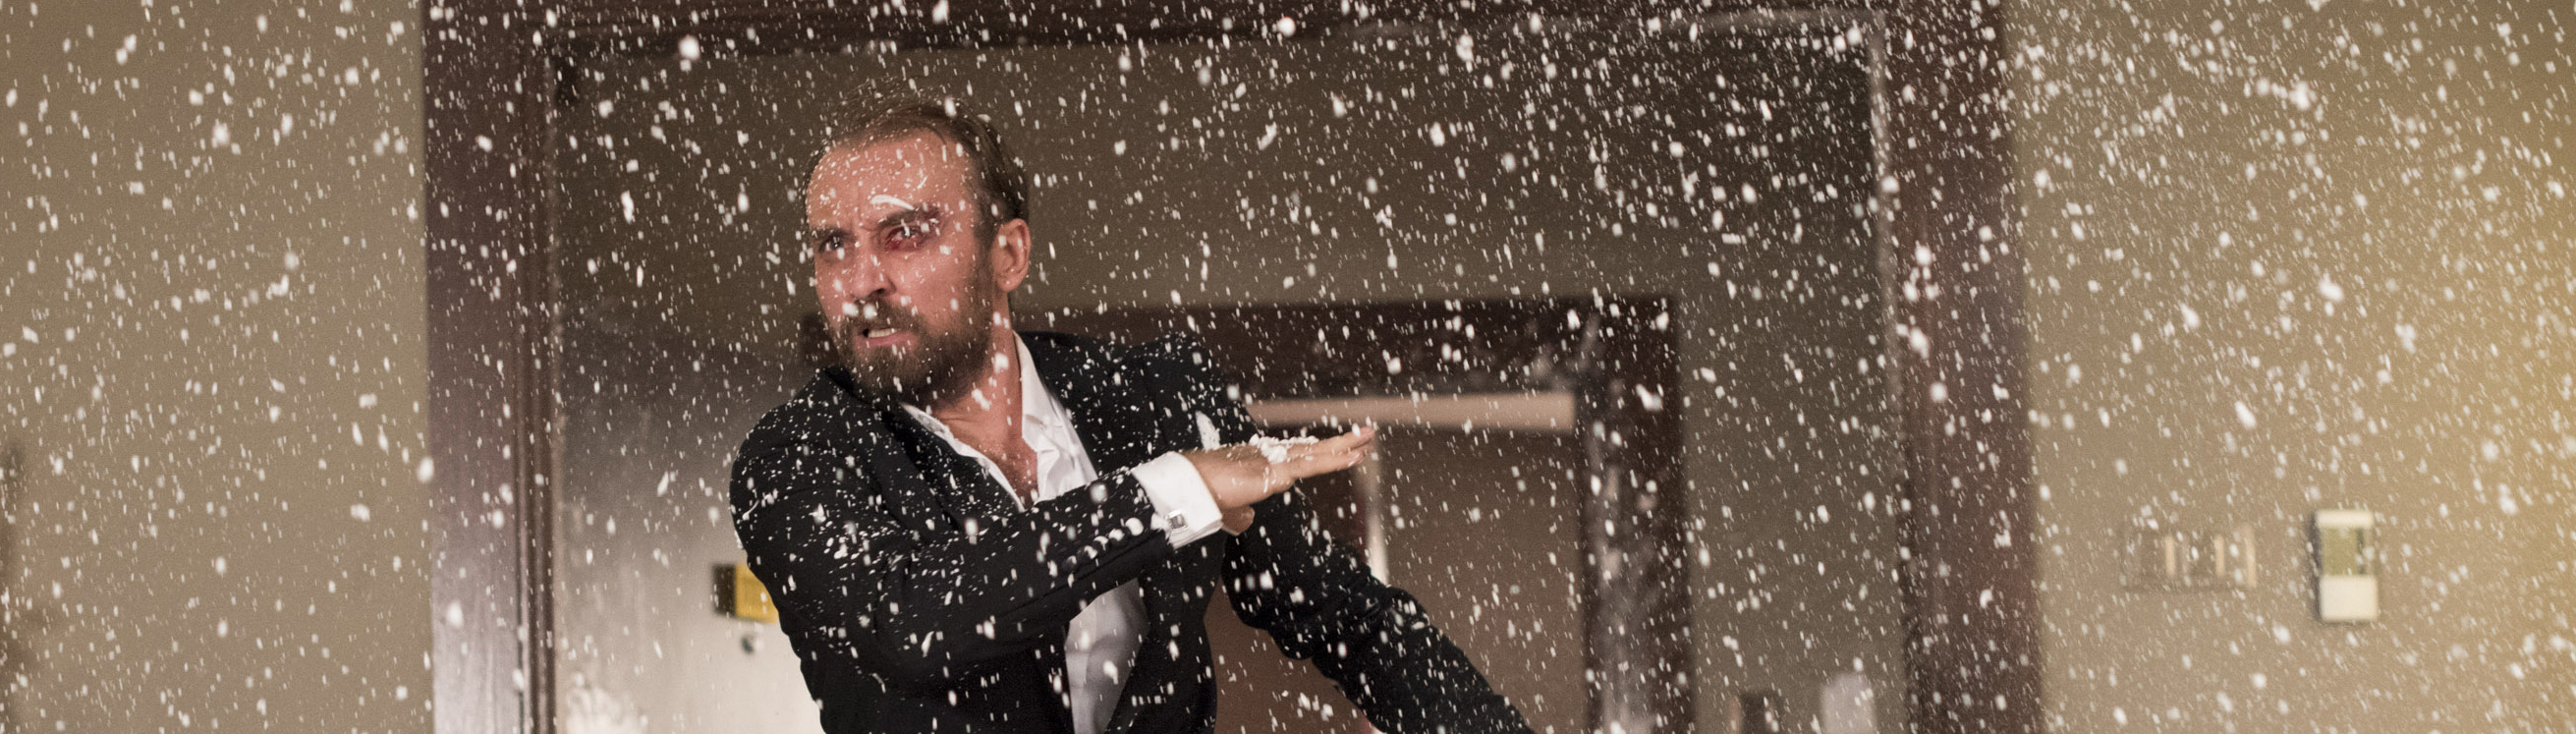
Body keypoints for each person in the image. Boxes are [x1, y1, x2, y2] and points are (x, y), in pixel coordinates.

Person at [728, 97, 1533, 734]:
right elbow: (917, 624)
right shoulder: (795, 455)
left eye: (904, 234)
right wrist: (1170, 492)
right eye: (833, 245)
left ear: (1008, 254)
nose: (860, 280)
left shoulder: (1158, 397)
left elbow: (1353, 621)